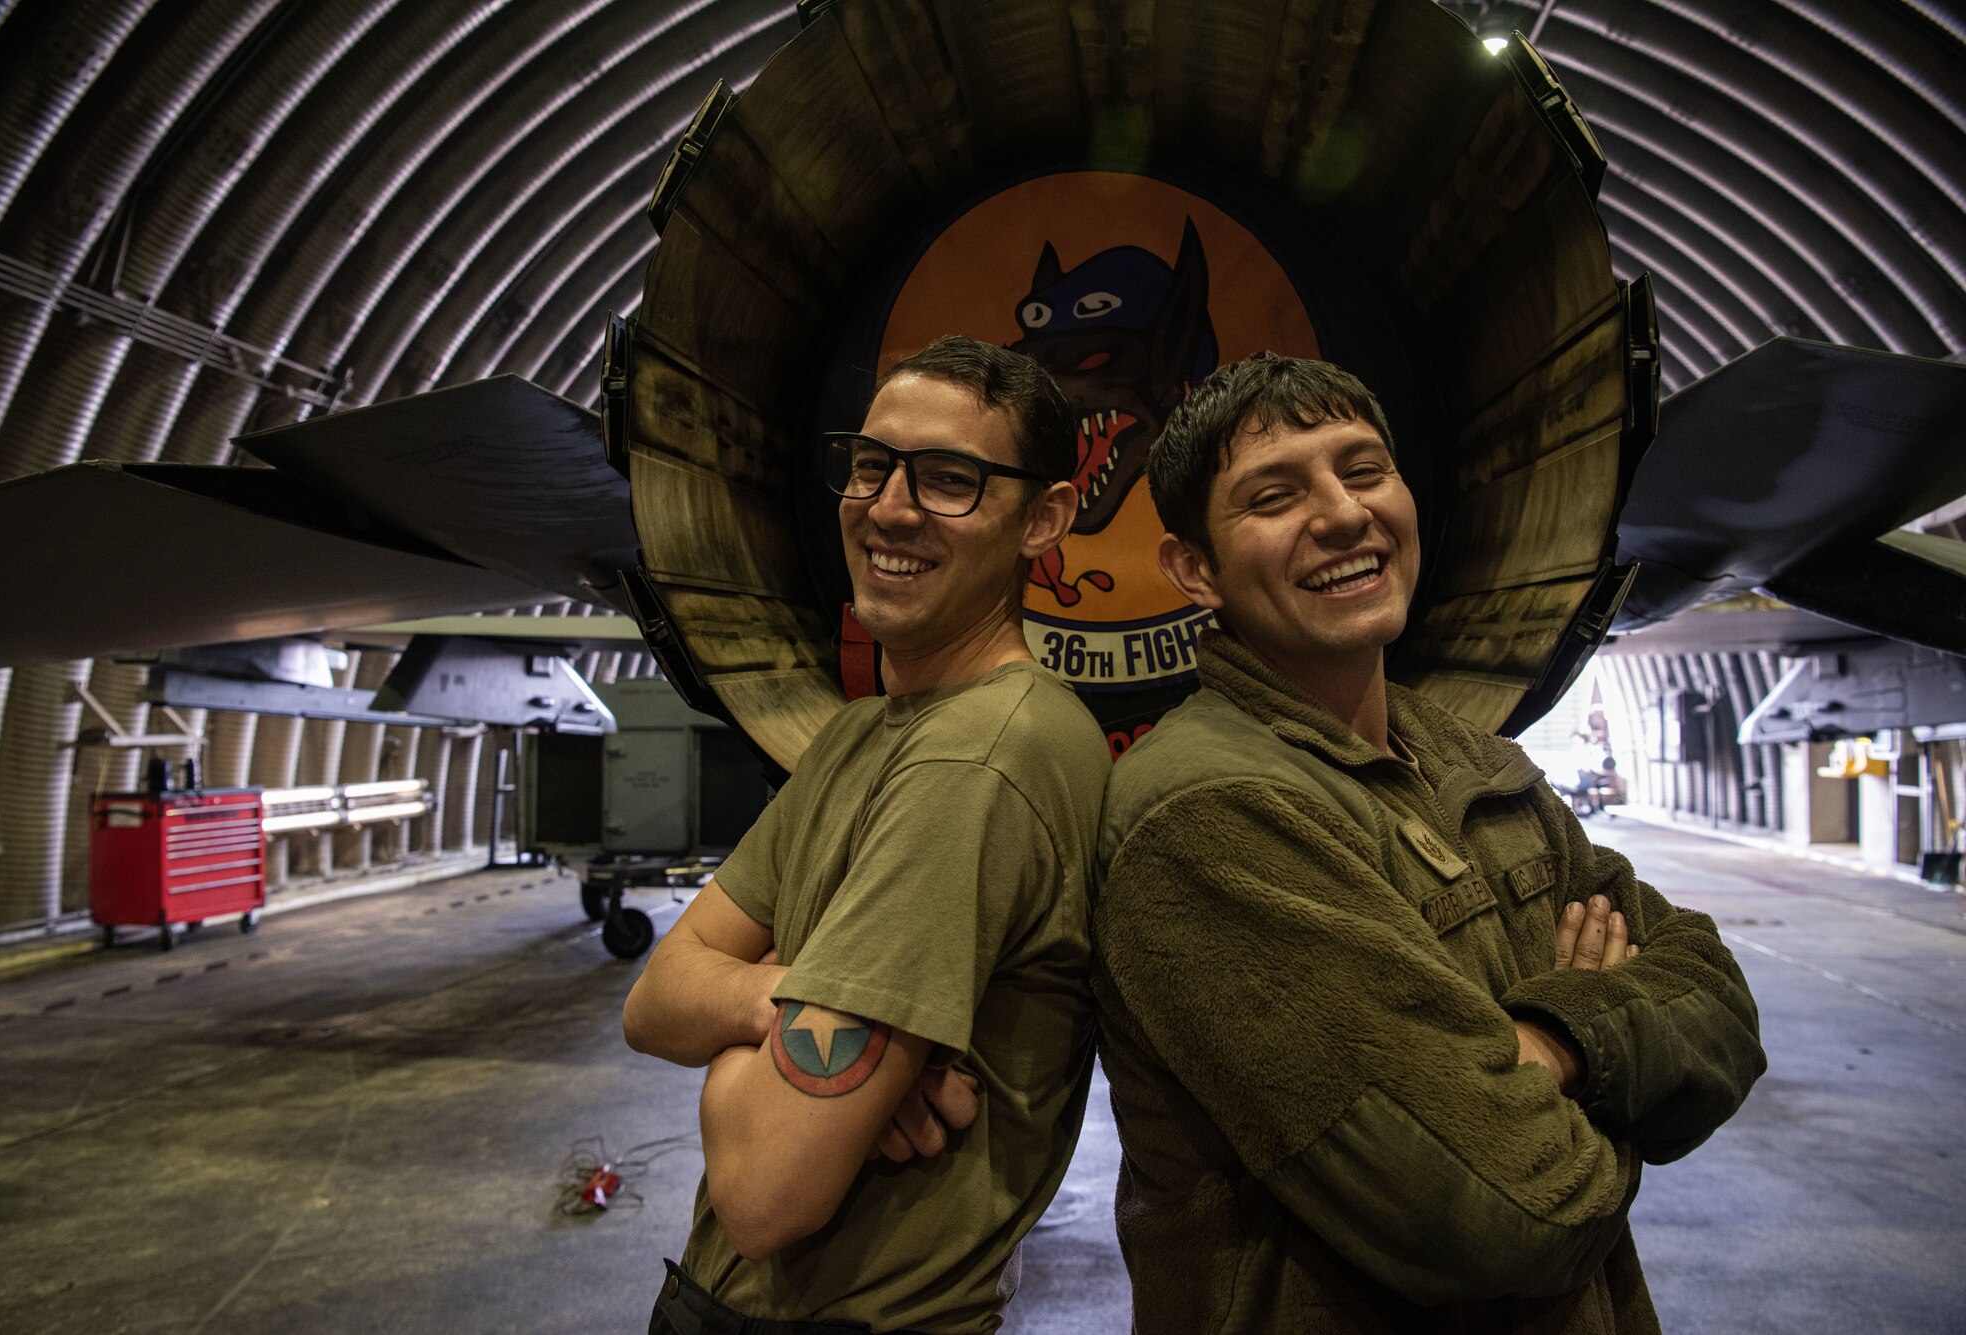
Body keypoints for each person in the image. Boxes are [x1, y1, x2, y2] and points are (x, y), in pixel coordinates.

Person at [1092, 352, 1765, 1333]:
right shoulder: (1206, 813)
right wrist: (1607, 1057)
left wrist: (1555, 1050)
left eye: (1362, 471)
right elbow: (1505, 1209)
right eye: (1273, 495)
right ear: (1195, 570)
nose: (1339, 514)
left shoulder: (1471, 761)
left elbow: (1721, 1010)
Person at [624, 335, 1111, 1334]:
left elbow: (764, 1190)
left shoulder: (977, 760)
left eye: (948, 481)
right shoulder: (860, 734)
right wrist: (782, 1005)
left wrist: (744, 1040)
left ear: (1045, 519)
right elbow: (650, 1001)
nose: (888, 507)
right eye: (870, 464)